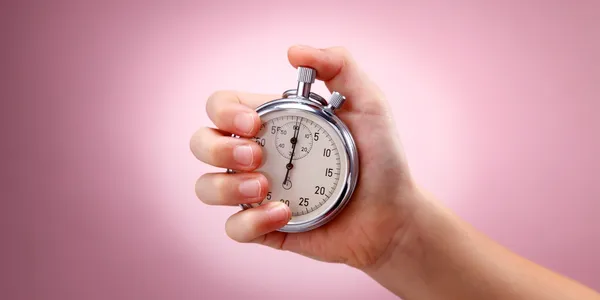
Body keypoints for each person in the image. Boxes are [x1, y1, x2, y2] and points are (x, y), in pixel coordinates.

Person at [189, 45, 600, 299]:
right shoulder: (270, 125)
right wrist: (396, 237)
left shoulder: (337, 134)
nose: (291, 160)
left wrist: (395, 235)